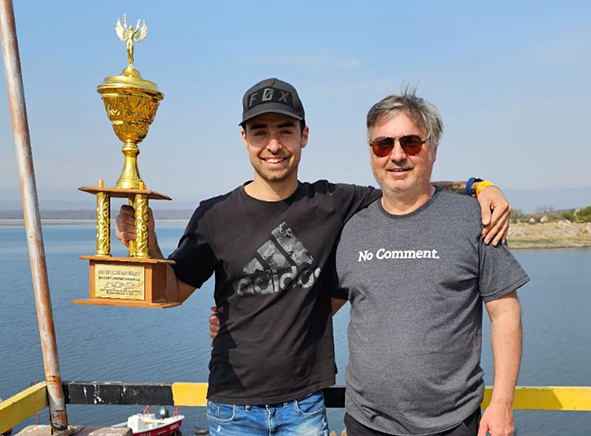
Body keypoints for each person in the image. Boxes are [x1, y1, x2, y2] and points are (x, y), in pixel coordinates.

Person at [117, 78, 511, 436]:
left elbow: (405, 183)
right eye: (260, 133)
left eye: (285, 131)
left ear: (304, 136)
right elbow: (170, 292)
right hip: (232, 405)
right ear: (244, 138)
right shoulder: (213, 215)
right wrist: (146, 245)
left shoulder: (335, 203)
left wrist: (478, 187)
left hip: (304, 405)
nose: (273, 145)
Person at [330, 91, 529, 436]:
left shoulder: (475, 220)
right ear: (371, 154)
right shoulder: (352, 228)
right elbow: (319, 310)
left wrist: (502, 403)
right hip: (365, 423)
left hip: (453, 423)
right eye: (383, 145)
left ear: (432, 150)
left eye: (411, 143)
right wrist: (234, 321)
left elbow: (505, 313)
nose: (397, 155)